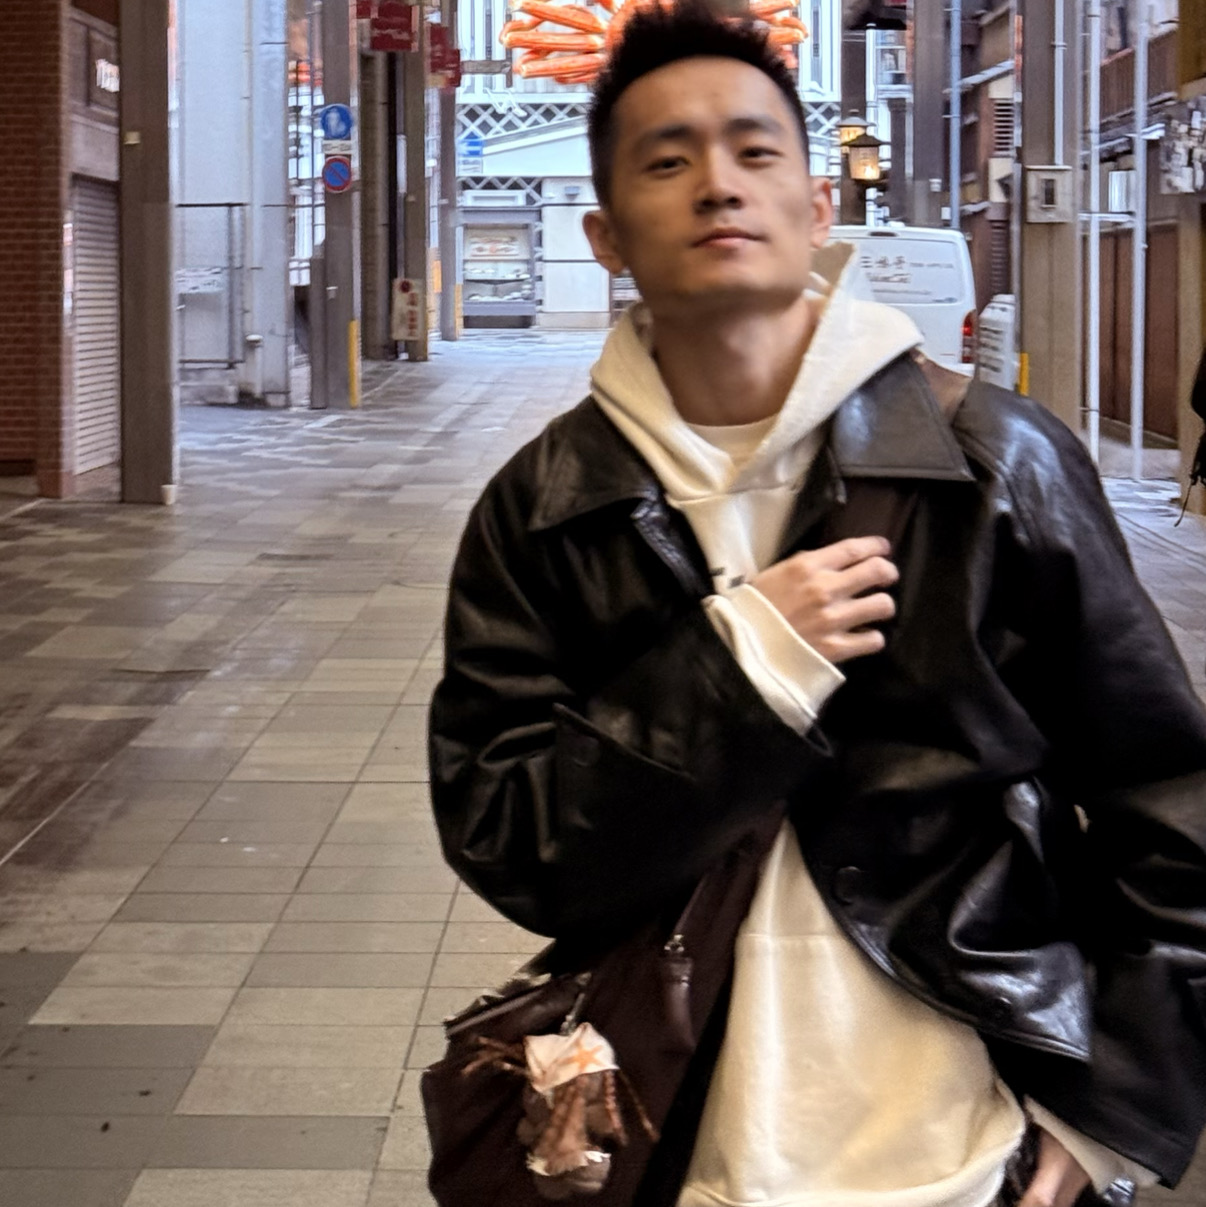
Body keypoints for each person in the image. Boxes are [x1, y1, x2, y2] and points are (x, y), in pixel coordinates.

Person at [428, 3, 1206, 1204]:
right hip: (668, 1150)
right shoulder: (547, 508)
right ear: (605, 235)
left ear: (820, 205)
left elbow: (1170, 800)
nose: (718, 185)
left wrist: (1110, 1108)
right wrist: (739, 667)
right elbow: (512, 847)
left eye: (755, 151)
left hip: (963, 1153)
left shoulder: (993, 465)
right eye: (667, 161)